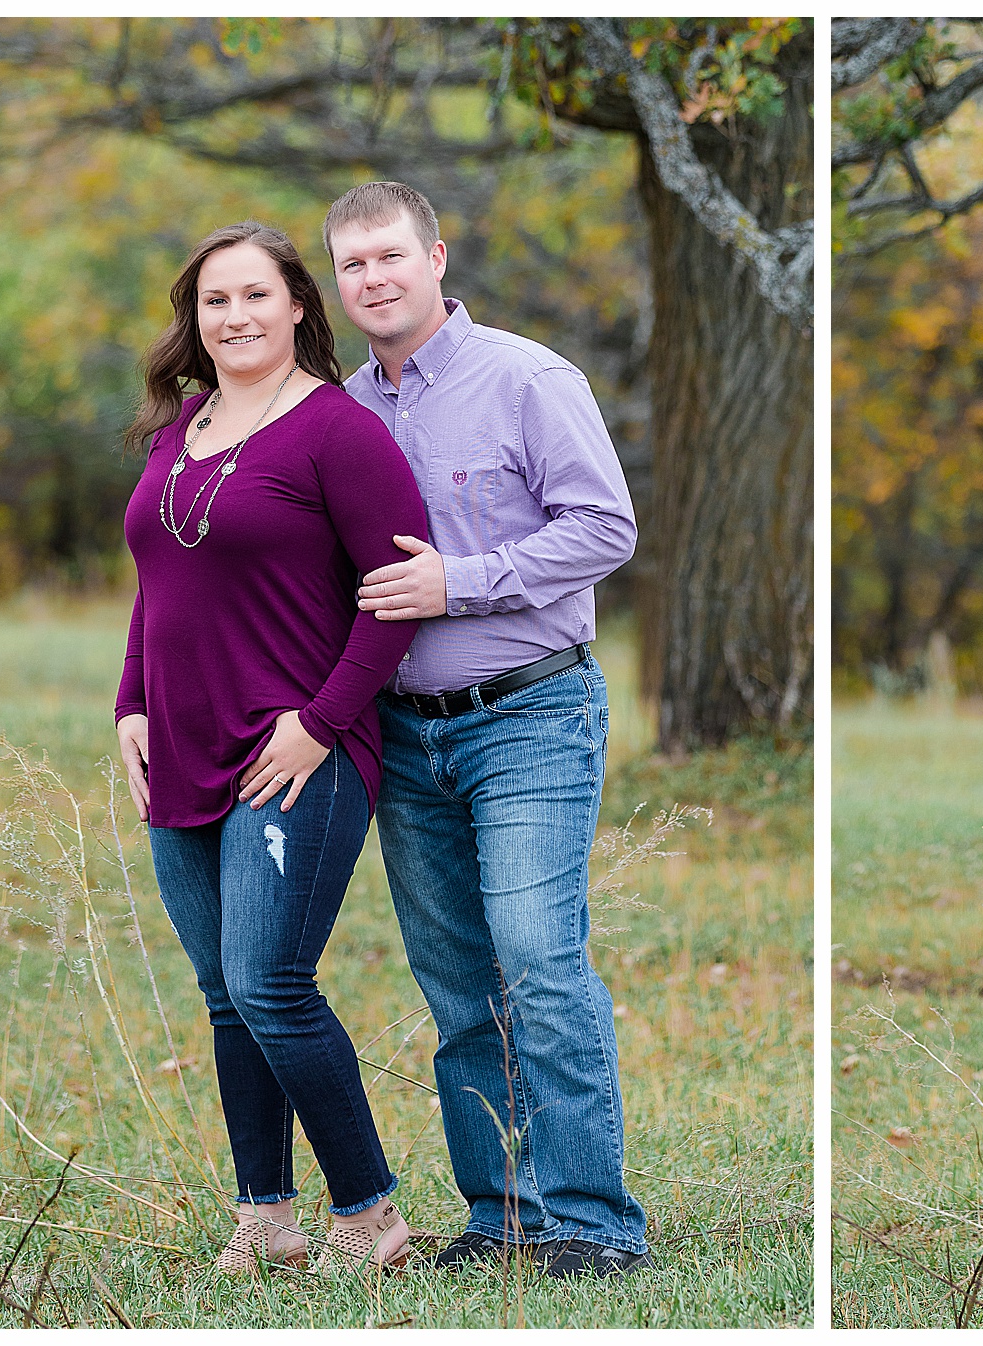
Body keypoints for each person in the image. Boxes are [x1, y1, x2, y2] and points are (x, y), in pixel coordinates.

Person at [320, 181, 650, 1278]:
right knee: (456, 979)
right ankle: (502, 1209)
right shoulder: (340, 412)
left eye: (389, 257)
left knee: (540, 962)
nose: (372, 279)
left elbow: (604, 527)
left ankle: (594, 1222)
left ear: (437, 257)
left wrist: (457, 584)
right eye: (352, 264)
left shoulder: (527, 378)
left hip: (530, 713)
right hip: (401, 735)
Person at [115, 221, 430, 1274]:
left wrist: (321, 723)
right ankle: (266, 1218)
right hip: (184, 743)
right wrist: (132, 701)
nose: (235, 316)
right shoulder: (182, 425)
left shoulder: (339, 433)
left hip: (297, 747)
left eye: (256, 295)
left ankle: (370, 1216)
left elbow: (393, 605)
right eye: (214, 300)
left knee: (270, 981)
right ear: (193, 320)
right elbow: (161, 580)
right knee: (223, 992)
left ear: (301, 304)